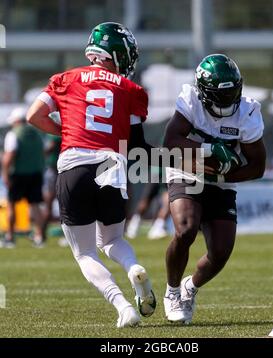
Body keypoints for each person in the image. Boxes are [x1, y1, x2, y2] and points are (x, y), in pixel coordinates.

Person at [26, 22, 156, 327]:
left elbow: (34, 115)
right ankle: (134, 267)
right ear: (117, 53)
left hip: (74, 164)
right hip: (112, 165)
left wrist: (65, 131)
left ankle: (123, 306)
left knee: (85, 253)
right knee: (112, 239)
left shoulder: (65, 78)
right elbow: (136, 145)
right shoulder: (131, 89)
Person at [163, 54, 266, 323]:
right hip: (186, 169)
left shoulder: (248, 112)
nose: (227, 100)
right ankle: (172, 291)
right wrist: (209, 150)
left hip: (221, 181)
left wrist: (226, 171)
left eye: (232, 93)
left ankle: (190, 287)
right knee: (185, 230)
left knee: (220, 252)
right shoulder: (190, 100)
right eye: (220, 95)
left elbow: (258, 166)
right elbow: (171, 141)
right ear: (203, 91)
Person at [1, 106, 45, 248]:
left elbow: (9, 156)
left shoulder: (13, 134)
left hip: (18, 174)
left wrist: (5, 174)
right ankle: (39, 237)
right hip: (36, 173)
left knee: (12, 205)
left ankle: (10, 237)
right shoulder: (37, 133)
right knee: (36, 205)